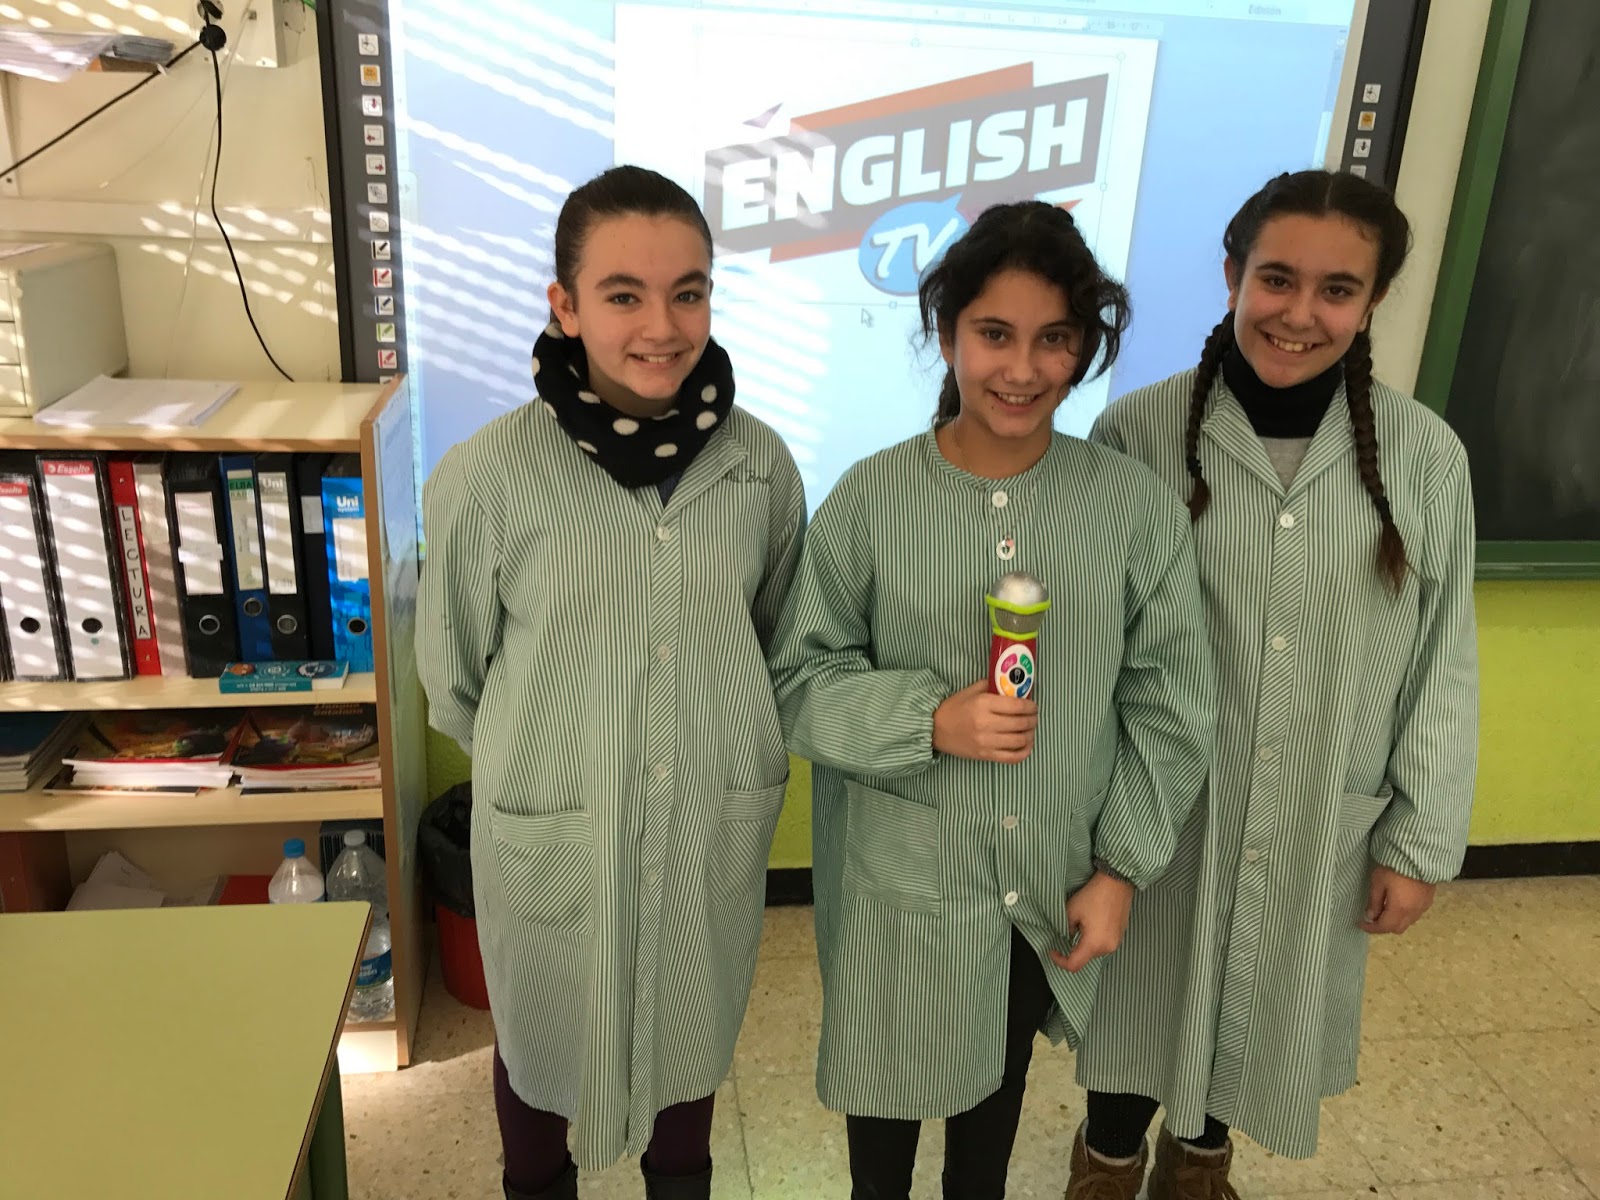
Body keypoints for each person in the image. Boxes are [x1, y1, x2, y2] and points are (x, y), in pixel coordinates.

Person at [767, 200, 1215, 1200]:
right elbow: (798, 680)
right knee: (882, 1129)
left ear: (1084, 347)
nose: (1022, 368)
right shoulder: (871, 500)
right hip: (899, 889)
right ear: (946, 334)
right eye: (994, 334)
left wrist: (1121, 869)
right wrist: (927, 720)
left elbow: (1171, 702)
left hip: (1040, 884)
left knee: (989, 1121)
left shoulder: (1129, 507)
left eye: (1054, 339)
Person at [1072, 168, 1479, 1199]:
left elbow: (1443, 661)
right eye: (1277, 279)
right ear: (1232, 276)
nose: (1300, 314)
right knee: (1139, 1006)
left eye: (1337, 290)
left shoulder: (1426, 459)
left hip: (1318, 812)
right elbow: (1093, 648)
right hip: (1160, 812)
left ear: (1371, 302)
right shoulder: (1136, 436)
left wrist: (1420, 841)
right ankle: (1106, 1162)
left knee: (1249, 1000)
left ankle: (1199, 1167)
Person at [416, 165, 807, 1200]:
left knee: (689, 1040)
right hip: (555, 823)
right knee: (542, 1047)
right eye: (623, 294)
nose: (662, 327)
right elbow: (454, 679)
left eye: (688, 292)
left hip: (706, 819)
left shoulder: (759, 467)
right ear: (565, 305)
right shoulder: (489, 475)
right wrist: (560, 752)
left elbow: (774, 639)